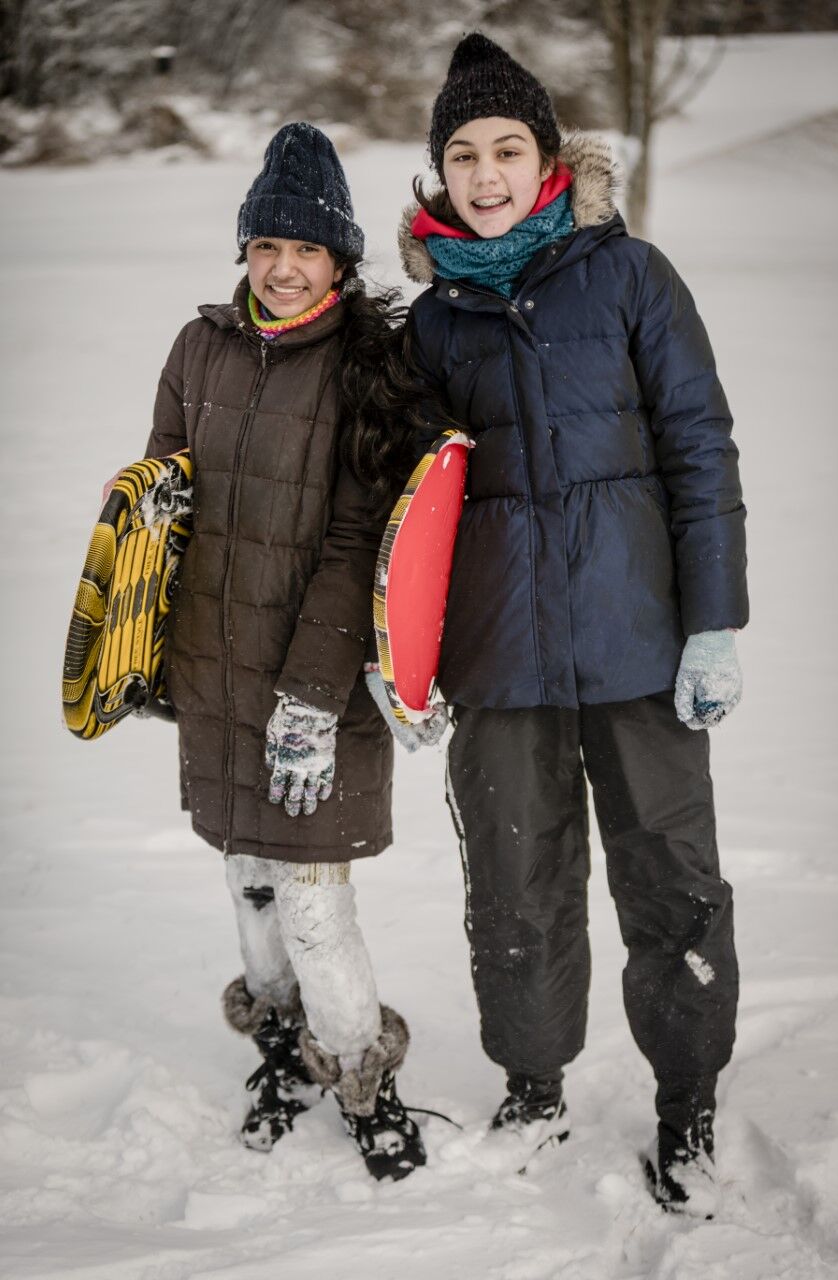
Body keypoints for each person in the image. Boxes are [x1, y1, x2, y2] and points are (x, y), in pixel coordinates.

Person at [397, 33, 747, 1216]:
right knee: (514, 880)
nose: (484, 173)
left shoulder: (631, 275)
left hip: (640, 644)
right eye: (462, 152)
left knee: (672, 879)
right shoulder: (432, 324)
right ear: (438, 171)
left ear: (549, 159)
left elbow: (700, 446)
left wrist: (715, 621)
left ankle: (685, 1103)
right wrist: (403, 657)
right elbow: (399, 507)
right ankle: (533, 1085)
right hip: (495, 661)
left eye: (506, 148)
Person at [142, 121, 440, 1182]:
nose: (280, 266)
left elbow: (366, 544)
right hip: (213, 675)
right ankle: (278, 1049)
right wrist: (136, 631)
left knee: (316, 905)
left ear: (339, 261)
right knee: (250, 885)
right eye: (265, 245)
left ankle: (362, 1073)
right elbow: (162, 499)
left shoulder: (369, 364)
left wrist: (312, 697)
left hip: (312, 684)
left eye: (303, 249)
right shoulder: (199, 348)